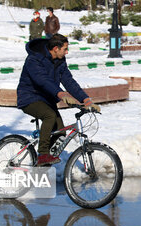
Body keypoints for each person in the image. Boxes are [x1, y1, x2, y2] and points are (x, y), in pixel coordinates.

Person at [17, 34, 100, 166]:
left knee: (61, 132)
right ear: (56, 48)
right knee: (49, 116)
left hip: (47, 99)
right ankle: (43, 154)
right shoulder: (34, 59)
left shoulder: (60, 61)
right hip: (29, 97)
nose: (67, 52)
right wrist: (60, 94)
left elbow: (68, 80)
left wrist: (86, 99)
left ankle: (44, 165)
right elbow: (42, 80)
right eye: (65, 49)